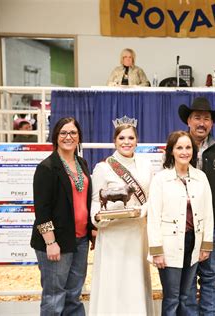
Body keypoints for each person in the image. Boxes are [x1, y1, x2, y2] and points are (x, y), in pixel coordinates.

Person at [89, 116, 153, 315]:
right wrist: (97, 219)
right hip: (112, 233)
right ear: (115, 141)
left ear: (137, 141)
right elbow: (94, 200)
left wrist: (144, 209)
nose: (126, 142)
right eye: (122, 138)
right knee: (113, 279)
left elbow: (152, 197)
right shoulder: (103, 168)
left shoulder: (146, 166)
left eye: (131, 138)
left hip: (136, 233)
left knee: (134, 279)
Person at [30, 117, 94, 316]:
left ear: (79, 137)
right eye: (63, 133)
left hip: (80, 240)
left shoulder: (81, 163)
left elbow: (85, 201)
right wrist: (50, 242)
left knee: (73, 296)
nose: (69, 137)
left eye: (73, 133)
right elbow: (42, 209)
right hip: (56, 242)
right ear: (56, 137)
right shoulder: (47, 167)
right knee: (54, 296)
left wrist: (91, 230)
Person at [148, 130, 214, 315]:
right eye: (179, 148)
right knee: (171, 297)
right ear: (171, 152)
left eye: (188, 147)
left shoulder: (201, 177)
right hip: (168, 245)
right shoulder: (161, 179)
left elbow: (208, 213)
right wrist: (156, 250)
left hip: (193, 242)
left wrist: (206, 245)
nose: (184, 152)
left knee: (187, 297)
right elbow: (153, 217)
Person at [178, 97, 215, 315]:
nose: (202, 123)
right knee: (187, 276)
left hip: (213, 226)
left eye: (206, 118)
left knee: (210, 275)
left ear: (212, 123)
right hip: (185, 225)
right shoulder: (178, 148)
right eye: (197, 117)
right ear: (189, 121)